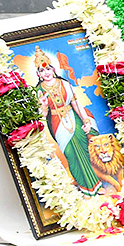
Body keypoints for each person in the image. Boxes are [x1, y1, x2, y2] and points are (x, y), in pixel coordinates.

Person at [33, 47, 101, 194]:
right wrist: (44, 106)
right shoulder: (39, 90)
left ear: (53, 69)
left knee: (84, 149)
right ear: (38, 74)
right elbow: (42, 115)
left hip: (73, 118)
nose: (46, 73)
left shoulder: (64, 83)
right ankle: (84, 187)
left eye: (48, 69)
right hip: (57, 124)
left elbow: (76, 104)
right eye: (42, 71)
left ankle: (96, 184)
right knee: (70, 154)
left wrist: (86, 121)